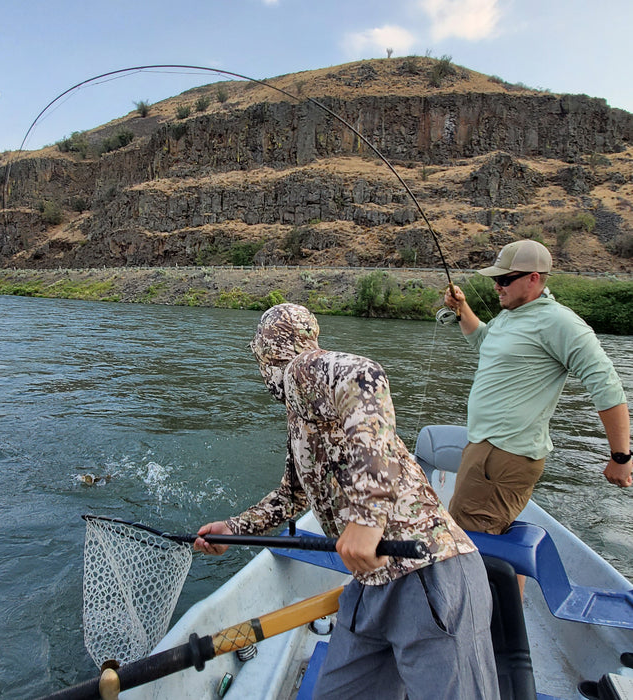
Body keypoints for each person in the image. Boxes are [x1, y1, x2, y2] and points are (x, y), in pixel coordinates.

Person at [195, 303, 499, 700]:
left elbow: (364, 374)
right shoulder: (301, 410)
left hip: (429, 571)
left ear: (267, 353)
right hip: (370, 583)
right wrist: (235, 529)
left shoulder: (301, 370)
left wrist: (368, 517)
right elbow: (294, 493)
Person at [443, 239, 631, 550]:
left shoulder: (560, 322)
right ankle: (504, 599)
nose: (496, 287)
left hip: (504, 455)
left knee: (473, 542)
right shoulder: (512, 314)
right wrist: (462, 309)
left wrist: (620, 456)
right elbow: (485, 342)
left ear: (533, 278)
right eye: (495, 279)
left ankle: (484, 600)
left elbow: (606, 383)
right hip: (486, 448)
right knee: (494, 541)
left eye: (504, 280)